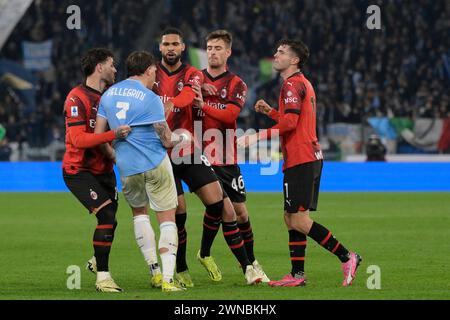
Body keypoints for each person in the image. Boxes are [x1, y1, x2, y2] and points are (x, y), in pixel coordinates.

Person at [238, 39, 362, 287]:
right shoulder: (302, 83)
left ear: (294, 60)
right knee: (290, 216)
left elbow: (291, 125)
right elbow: (296, 120)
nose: (275, 55)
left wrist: (257, 136)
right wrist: (271, 112)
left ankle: (347, 256)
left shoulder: (292, 85)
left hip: (301, 159)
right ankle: (297, 275)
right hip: (305, 157)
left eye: (281, 52)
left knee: (299, 220)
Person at [153, 27, 262, 286]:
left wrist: (184, 103)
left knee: (230, 209)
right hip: (166, 152)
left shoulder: (205, 77)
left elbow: (205, 102)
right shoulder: (155, 73)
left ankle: (231, 259)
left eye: (175, 44)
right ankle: (181, 268)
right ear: (160, 47)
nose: (170, 48)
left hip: (206, 152)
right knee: (179, 213)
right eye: (210, 48)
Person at [95, 51, 191, 292]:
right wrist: (183, 137)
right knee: (168, 217)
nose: (155, 77)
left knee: (139, 214)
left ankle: (154, 272)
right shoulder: (151, 99)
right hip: (155, 163)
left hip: (127, 167)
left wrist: (114, 156)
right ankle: (169, 280)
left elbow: (99, 137)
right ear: (148, 70)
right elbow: (167, 140)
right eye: (154, 72)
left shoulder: (108, 95)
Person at [191, 29, 269, 282]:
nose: (212, 52)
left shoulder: (237, 84)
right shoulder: (194, 80)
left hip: (227, 156)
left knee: (241, 213)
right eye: (210, 48)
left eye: (218, 48)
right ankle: (247, 268)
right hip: (201, 157)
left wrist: (204, 104)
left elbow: (230, 116)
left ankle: (242, 258)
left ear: (228, 52)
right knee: (225, 210)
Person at [62, 48, 131, 293]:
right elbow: (78, 139)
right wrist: (114, 134)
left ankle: (96, 260)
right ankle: (103, 277)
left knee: (111, 220)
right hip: (78, 170)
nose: (115, 69)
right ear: (99, 67)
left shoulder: (110, 97)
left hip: (104, 169)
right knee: (107, 216)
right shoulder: (76, 97)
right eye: (112, 64)